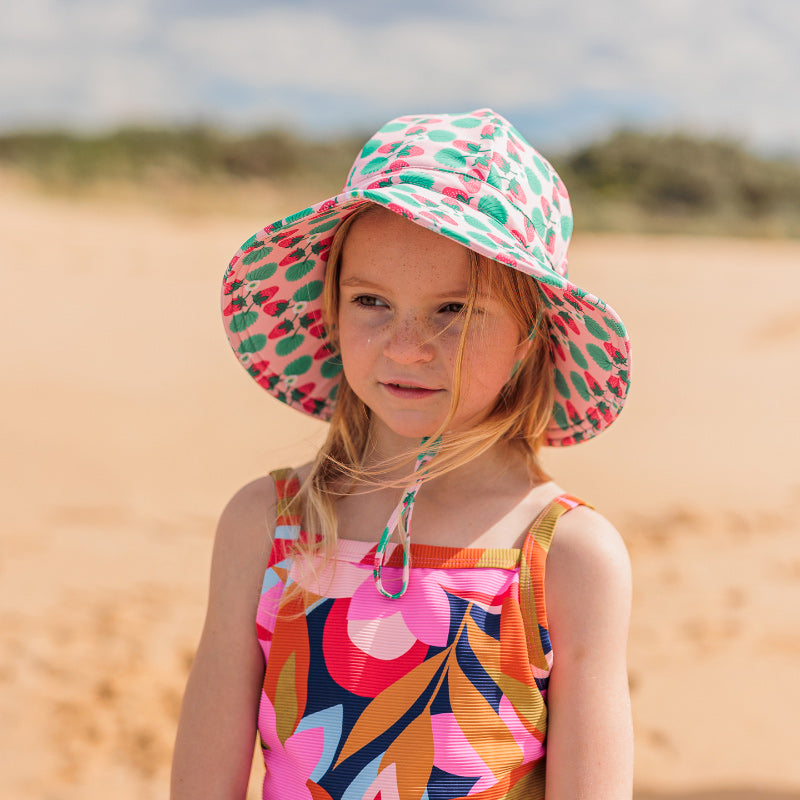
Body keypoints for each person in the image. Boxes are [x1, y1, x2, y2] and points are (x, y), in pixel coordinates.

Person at [171, 108, 634, 800]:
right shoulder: (266, 525)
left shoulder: (566, 555)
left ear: (532, 334)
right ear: (329, 310)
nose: (407, 345)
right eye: (371, 301)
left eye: (455, 309)